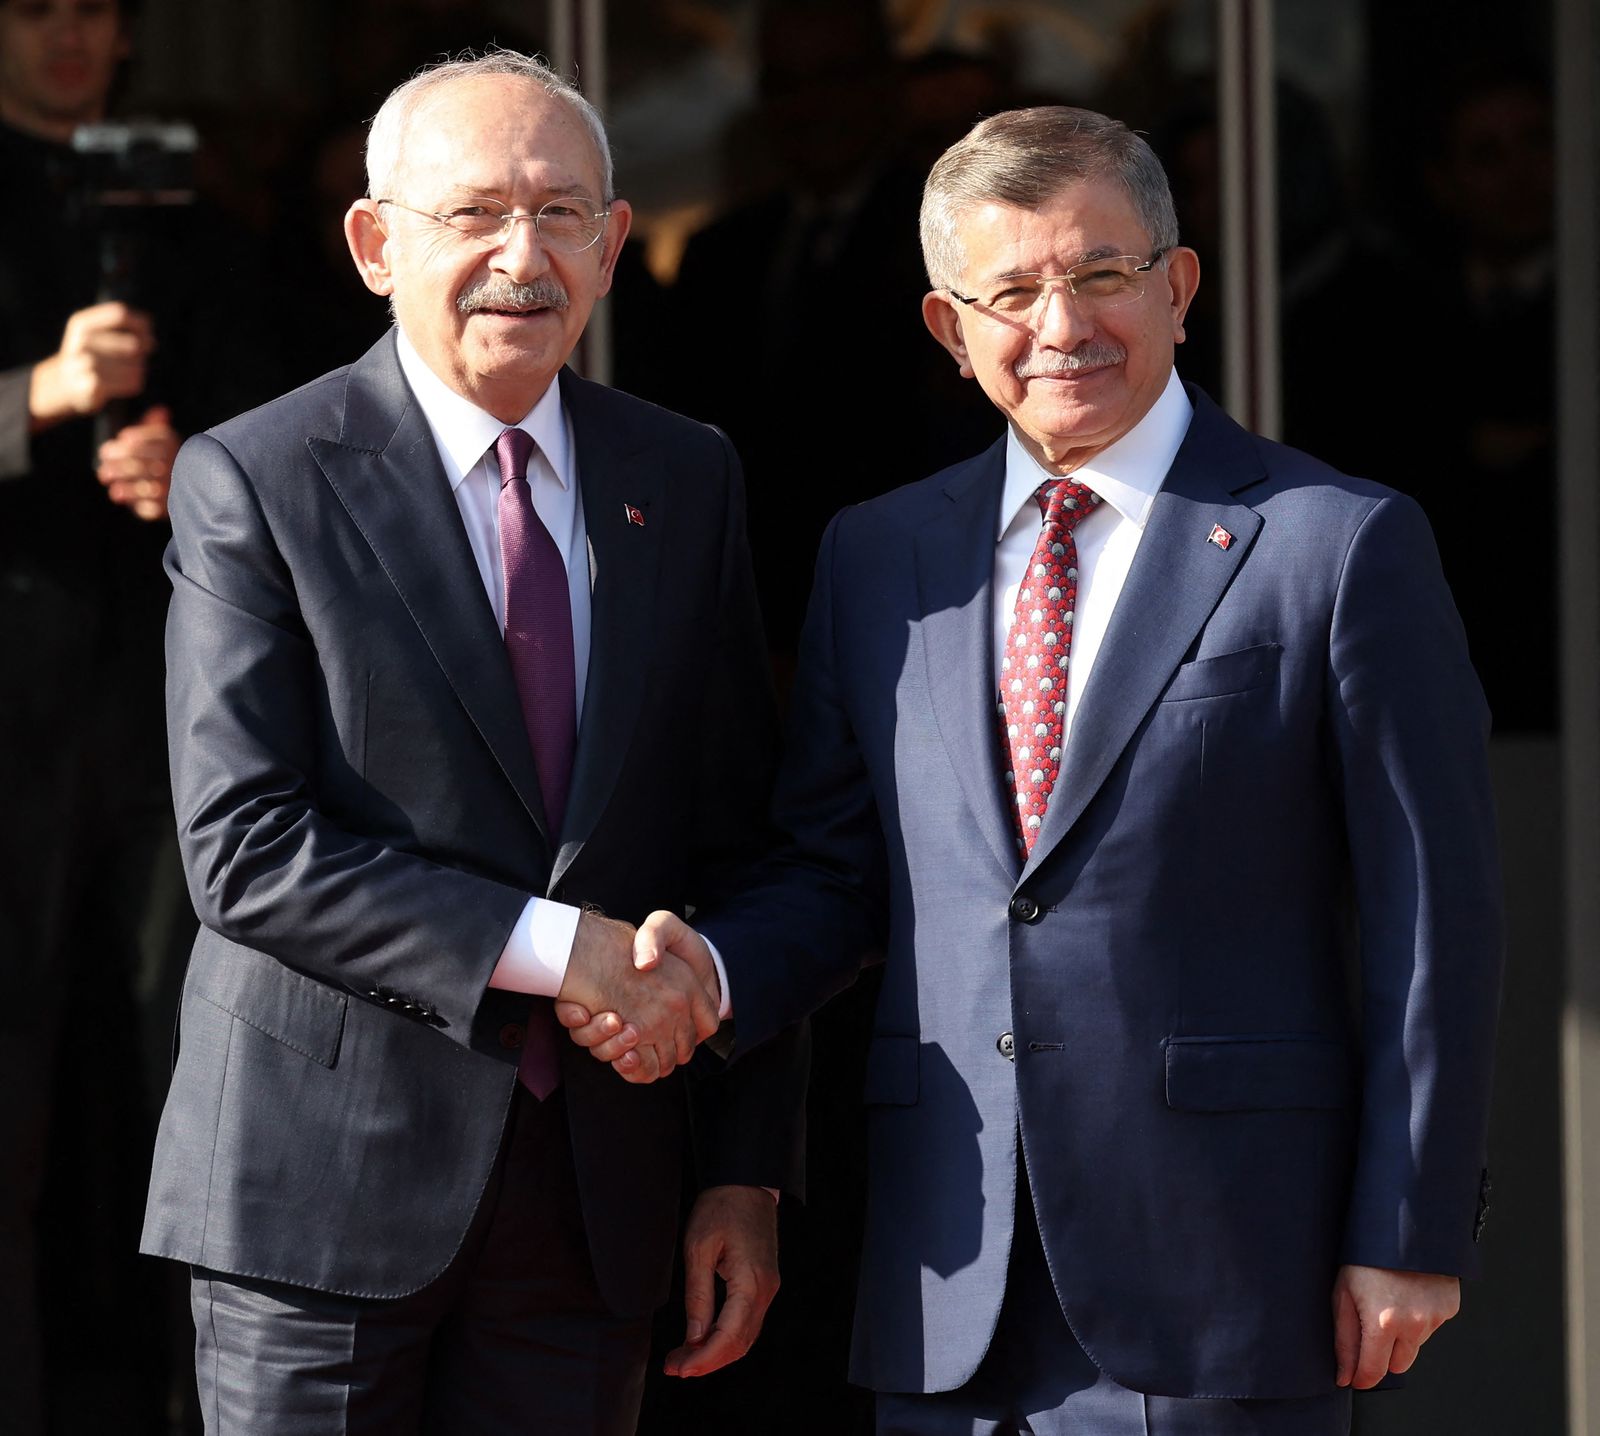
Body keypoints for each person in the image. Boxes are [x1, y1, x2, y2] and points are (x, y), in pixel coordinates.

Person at [565, 106, 1503, 1435]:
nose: (1061, 327)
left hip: (1232, 1277)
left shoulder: (1337, 546)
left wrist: (1409, 1223)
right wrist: (708, 977)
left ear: (1178, 287)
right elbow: (833, 874)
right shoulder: (879, 559)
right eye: (1012, 290)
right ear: (951, 331)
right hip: (949, 1278)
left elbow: (1435, 918)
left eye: (1102, 275)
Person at [140, 50, 804, 1434]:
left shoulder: (686, 478)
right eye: (475, 215)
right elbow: (246, 849)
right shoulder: (254, 477)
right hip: (318, 1201)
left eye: (565, 214)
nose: (525, 255)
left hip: (599, 1204)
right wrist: (569, 951)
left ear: (616, 246)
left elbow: (744, 839)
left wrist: (745, 1174)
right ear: (377, 245)